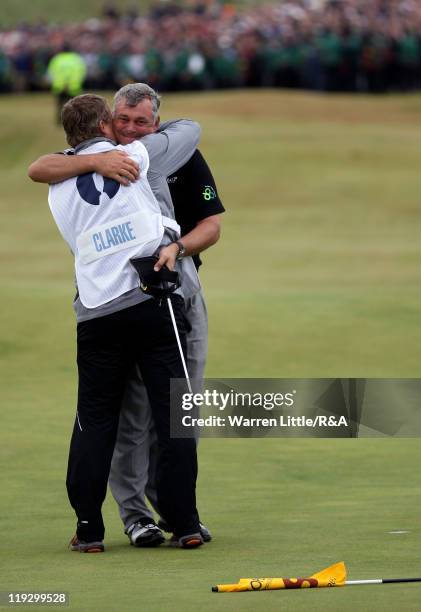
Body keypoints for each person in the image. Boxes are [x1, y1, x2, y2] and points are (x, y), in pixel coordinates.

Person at [28, 83, 224, 547]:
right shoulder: (140, 156)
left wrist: (88, 159)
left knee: (95, 421)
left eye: (140, 122)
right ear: (106, 124)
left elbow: (37, 168)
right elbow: (191, 127)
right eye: (122, 122)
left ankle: (88, 529)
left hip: (95, 311)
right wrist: (101, 158)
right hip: (153, 301)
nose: (131, 130)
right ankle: (182, 522)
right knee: (172, 410)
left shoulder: (57, 183)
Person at [47, 44, 87, 124]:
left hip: (59, 86)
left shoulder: (57, 59)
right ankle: (75, 121)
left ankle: (60, 121)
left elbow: (51, 73)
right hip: (73, 86)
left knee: (60, 105)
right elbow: (82, 72)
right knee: (76, 106)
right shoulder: (76, 59)